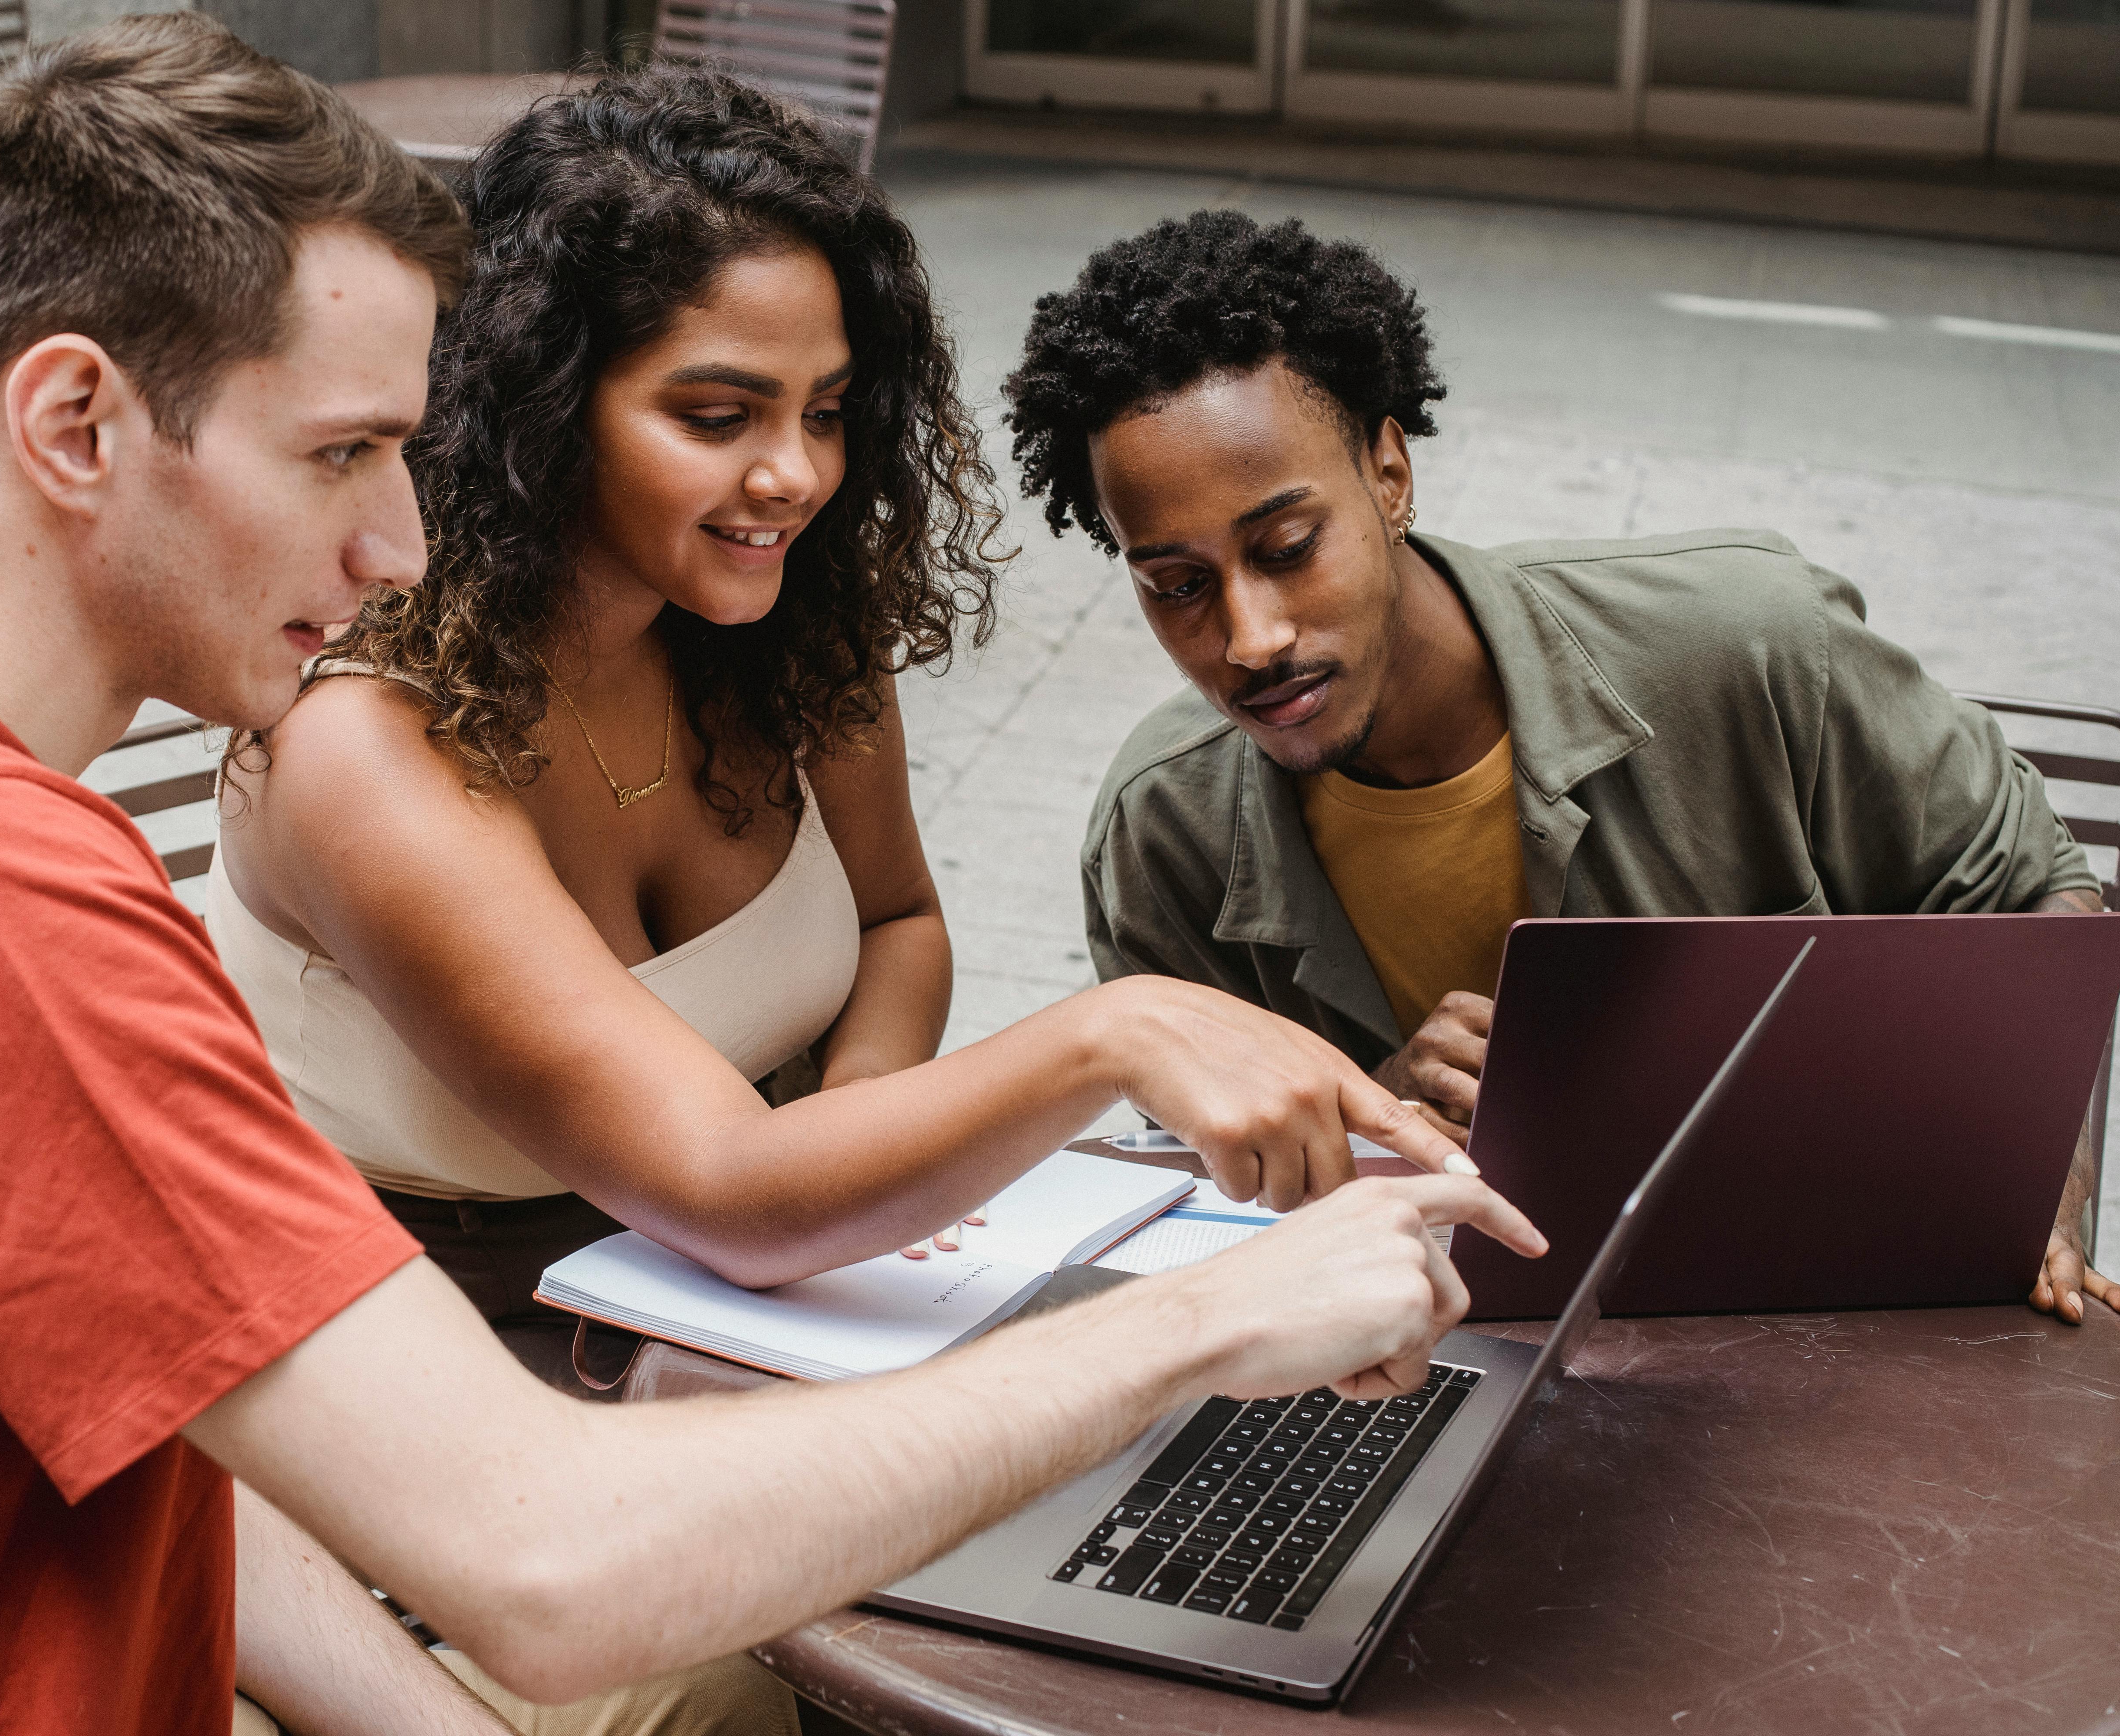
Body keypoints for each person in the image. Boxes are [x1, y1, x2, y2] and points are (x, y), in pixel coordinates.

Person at [0, 23, 1546, 1736]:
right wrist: (1211, 1324)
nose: (391, 545)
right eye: (347, 451)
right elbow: (544, 1566)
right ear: (75, 423)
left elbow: (174, 1456)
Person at [212, 65, 1452, 1398]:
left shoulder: (788, 629)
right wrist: (1119, 1031)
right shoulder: (366, 750)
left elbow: (896, 924)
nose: (796, 476)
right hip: (430, 1354)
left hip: (776, 1289)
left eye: (823, 411)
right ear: (541, 405)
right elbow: (728, 1191)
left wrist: (853, 1140)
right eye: (716, 416)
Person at [999, 209, 2120, 1331]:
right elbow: (1197, 1220)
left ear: (1390, 475)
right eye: (1177, 586)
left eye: (1288, 550)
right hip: (1438, 1366)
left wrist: (2043, 1191)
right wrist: (1370, 1125)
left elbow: (2042, 902)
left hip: (1827, 1315)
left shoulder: (1747, 641)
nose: (1251, 638)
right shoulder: (1162, 836)